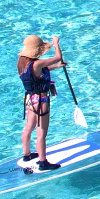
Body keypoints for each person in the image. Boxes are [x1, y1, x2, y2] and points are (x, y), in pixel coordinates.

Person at [18, 35, 67, 170]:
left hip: (30, 99)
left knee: (28, 127)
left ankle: (27, 154)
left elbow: (38, 71)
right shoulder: (37, 63)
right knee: (41, 132)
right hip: (40, 100)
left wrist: (56, 67)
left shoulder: (22, 62)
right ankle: (43, 162)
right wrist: (56, 44)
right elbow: (56, 57)